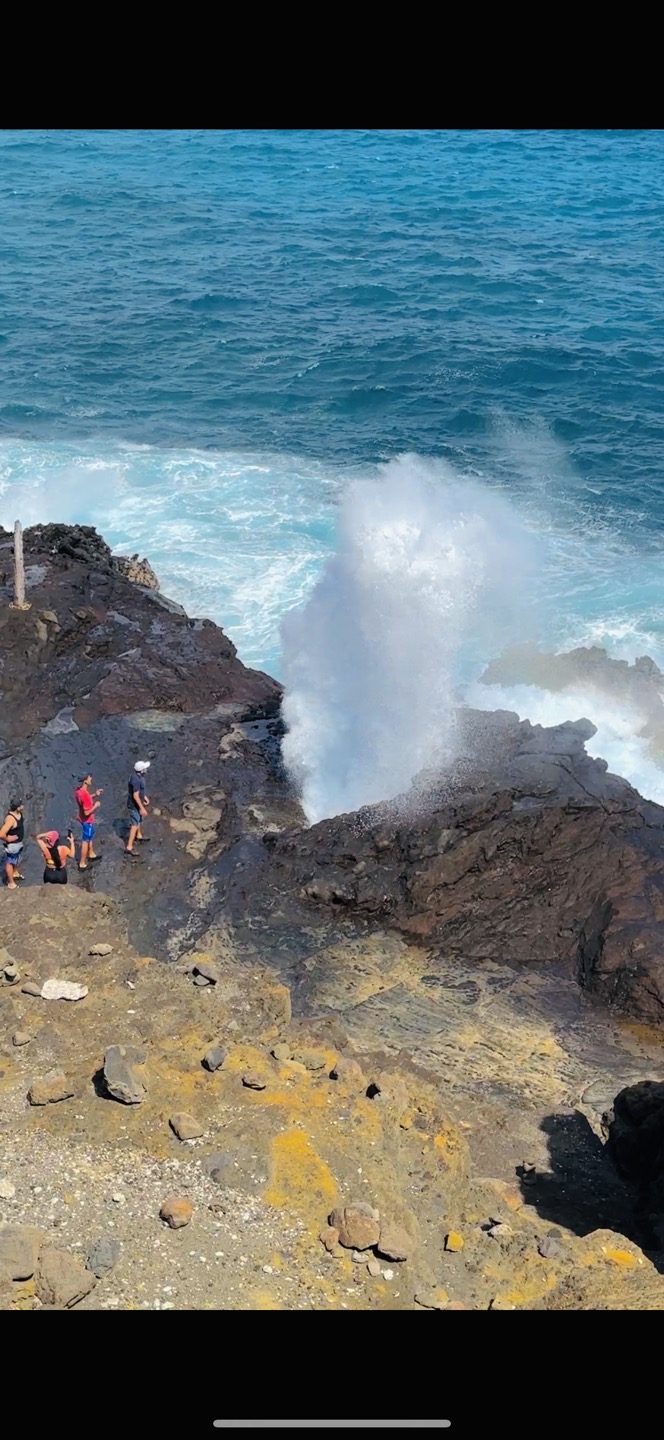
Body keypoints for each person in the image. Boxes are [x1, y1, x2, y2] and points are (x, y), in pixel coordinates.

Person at [74, 773, 103, 870]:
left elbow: (84, 799)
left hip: (81, 818)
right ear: (85, 781)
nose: (91, 779)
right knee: (86, 840)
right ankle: (82, 863)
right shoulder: (85, 795)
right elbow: (87, 812)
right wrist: (96, 806)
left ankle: (91, 854)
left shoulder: (79, 791)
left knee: (90, 837)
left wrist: (95, 795)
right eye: (90, 778)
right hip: (87, 821)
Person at [125, 760, 151, 858]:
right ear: (141, 771)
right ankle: (129, 847)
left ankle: (139, 836)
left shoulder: (136, 776)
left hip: (137, 804)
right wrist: (142, 808)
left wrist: (144, 797)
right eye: (145, 769)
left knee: (138, 819)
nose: (146, 770)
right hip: (134, 805)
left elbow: (140, 792)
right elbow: (135, 795)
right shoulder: (136, 780)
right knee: (134, 824)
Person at [1, 800, 26, 889]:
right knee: (10, 862)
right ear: (18, 808)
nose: (23, 806)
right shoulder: (11, 819)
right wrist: (8, 838)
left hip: (18, 844)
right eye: (21, 805)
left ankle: (14, 872)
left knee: (16, 859)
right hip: (13, 845)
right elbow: (1, 834)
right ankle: (11, 883)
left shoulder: (19, 813)